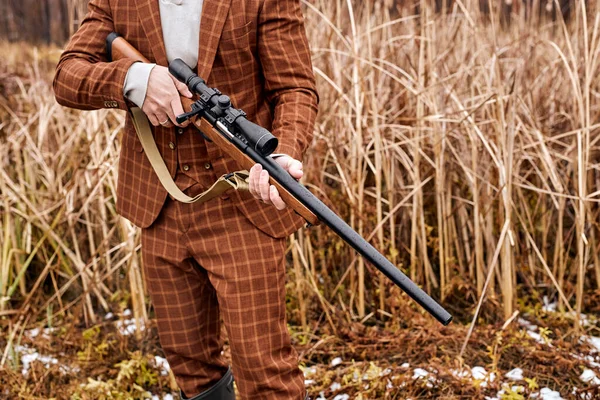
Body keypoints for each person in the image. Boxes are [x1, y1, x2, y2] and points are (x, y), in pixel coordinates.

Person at [53, 0, 318, 398]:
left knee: (265, 372)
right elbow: (67, 76)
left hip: (243, 204)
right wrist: (136, 80)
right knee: (191, 369)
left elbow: (295, 87)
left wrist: (283, 153)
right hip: (159, 204)